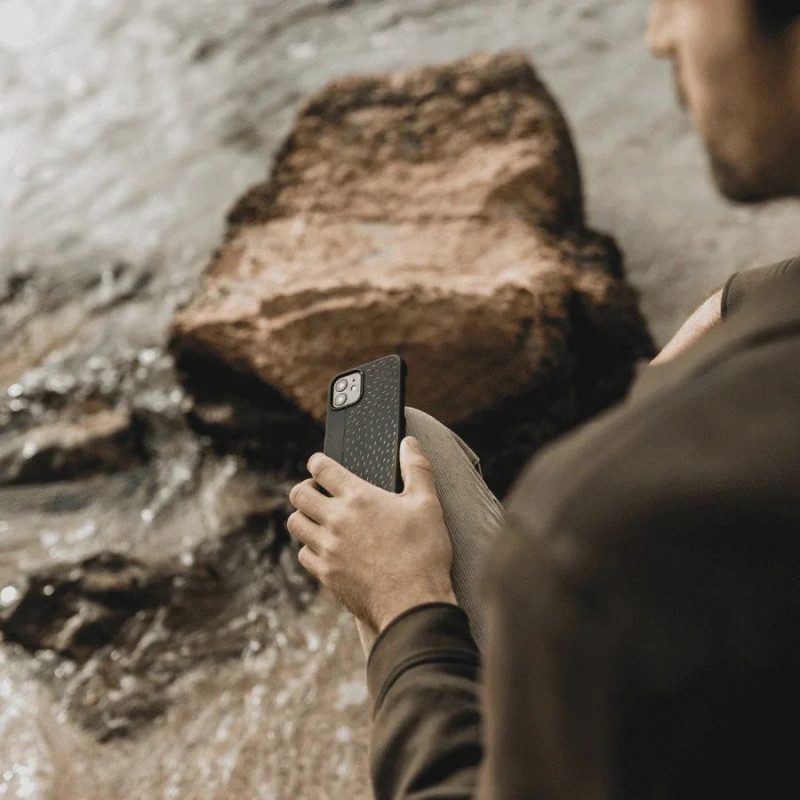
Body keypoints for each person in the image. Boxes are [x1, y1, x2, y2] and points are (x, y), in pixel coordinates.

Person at [287, 1, 800, 796]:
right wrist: (741, 303)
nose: (657, 34)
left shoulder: (598, 543)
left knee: (400, 455)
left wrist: (405, 613)